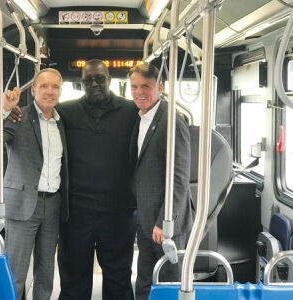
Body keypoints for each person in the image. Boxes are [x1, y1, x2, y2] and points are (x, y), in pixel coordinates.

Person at [0, 68, 68, 300]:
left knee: (46, 273)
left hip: (53, 204)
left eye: (55, 87)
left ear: (60, 91)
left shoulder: (62, 123)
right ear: (34, 90)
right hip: (23, 203)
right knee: (16, 272)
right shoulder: (18, 116)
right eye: (44, 86)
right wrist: (3, 111)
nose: (50, 91)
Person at [56, 59, 138, 300]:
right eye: (88, 80)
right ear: (82, 83)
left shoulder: (131, 111)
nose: (94, 84)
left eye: (99, 78)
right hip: (76, 212)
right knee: (73, 277)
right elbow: (37, 119)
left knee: (118, 276)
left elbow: (159, 121)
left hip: (119, 212)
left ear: (109, 79)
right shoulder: (65, 112)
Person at [128, 63, 193, 300]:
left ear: (161, 88)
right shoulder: (140, 118)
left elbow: (179, 179)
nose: (139, 92)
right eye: (134, 86)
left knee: (168, 283)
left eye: (146, 86)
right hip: (146, 220)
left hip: (165, 224)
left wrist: (164, 221)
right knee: (145, 279)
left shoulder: (172, 122)